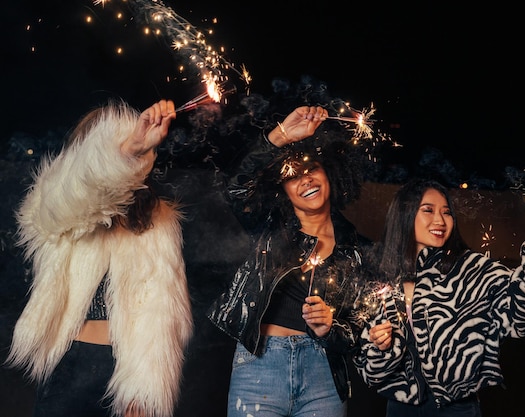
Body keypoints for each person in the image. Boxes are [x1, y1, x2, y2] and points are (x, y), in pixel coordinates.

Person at [5, 99, 193, 417]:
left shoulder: (160, 220)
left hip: (127, 369)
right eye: (108, 147)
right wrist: (129, 150)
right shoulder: (54, 204)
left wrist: (145, 391)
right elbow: (83, 191)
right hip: (70, 364)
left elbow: (162, 312)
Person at [353, 178, 525, 417]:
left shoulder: (472, 269)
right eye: (428, 210)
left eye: (447, 213)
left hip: (457, 408)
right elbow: (369, 371)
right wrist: (381, 347)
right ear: (404, 215)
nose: (440, 220)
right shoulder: (380, 278)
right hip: (399, 408)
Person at [207, 105, 371, 417]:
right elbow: (237, 187)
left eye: (312, 170)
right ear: (283, 190)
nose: (305, 181)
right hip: (259, 366)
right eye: (293, 177)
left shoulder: (356, 247)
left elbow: (359, 330)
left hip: (323, 375)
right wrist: (281, 135)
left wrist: (330, 328)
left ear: (329, 173)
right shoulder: (268, 225)